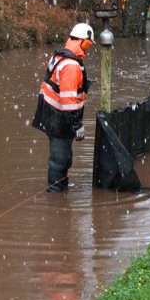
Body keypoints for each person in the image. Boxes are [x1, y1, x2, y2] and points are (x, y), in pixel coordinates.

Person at [33, 22, 95, 191]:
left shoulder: (61, 55)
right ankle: (55, 195)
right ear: (81, 42)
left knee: (64, 156)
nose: (88, 49)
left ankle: (61, 188)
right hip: (58, 118)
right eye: (88, 44)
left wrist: (83, 84)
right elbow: (68, 100)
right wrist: (77, 125)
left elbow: (59, 84)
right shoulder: (71, 65)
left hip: (50, 113)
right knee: (60, 158)